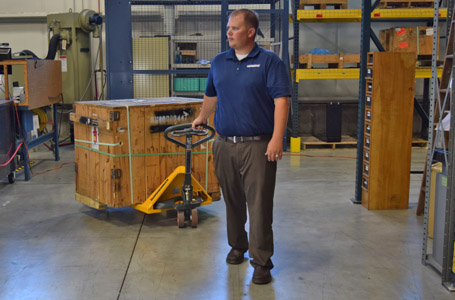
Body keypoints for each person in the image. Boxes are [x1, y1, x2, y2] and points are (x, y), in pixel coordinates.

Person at [192, 8, 290, 285]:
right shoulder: (219, 61)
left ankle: (262, 262)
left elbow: (281, 101)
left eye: (234, 28)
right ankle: (238, 245)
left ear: (250, 32)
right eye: (228, 28)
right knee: (233, 201)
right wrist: (202, 117)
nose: (229, 32)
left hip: (257, 146)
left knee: (259, 206)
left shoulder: (270, 62)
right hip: (224, 144)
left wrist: (276, 139)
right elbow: (211, 94)